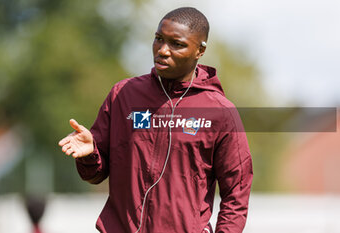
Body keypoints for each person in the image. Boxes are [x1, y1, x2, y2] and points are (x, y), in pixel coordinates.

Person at [58, 7, 253, 233]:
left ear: (200, 50)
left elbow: (236, 196)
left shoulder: (220, 112)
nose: (162, 50)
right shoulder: (123, 95)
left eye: (176, 44)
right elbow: (94, 175)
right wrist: (90, 154)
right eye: (158, 39)